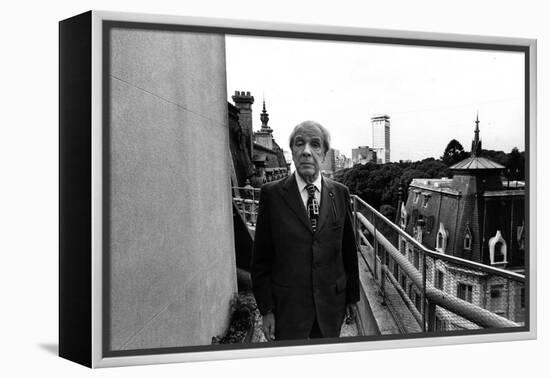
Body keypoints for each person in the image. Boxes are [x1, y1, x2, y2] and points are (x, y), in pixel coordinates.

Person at [251, 120, 360, 341]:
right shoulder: (272, 195)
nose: (306, 152)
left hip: (331, 306)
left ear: (324, 153)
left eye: (315, 145)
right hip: (288, 311)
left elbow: (349, 252)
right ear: (292, 151)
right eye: (300, 144)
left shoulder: (340, 193)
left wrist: (351, 298)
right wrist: (266, 310)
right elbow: (261, 260)